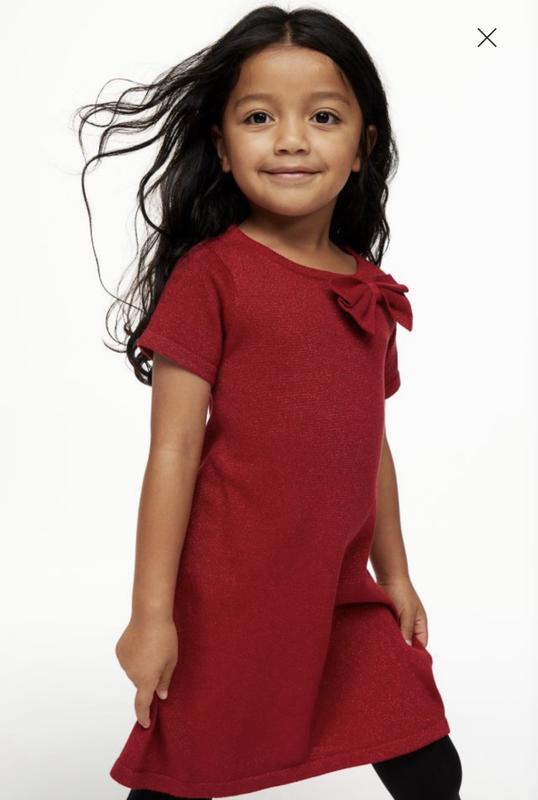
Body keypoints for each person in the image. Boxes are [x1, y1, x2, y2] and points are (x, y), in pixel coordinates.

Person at [75, 5, 463, 799]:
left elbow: (371, 443)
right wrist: (151, 615)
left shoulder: (365, 288)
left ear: (364, 146)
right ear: (222, 147)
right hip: (233, 595)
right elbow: (173, 451)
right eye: (259, 117)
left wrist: (395, 573)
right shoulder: (212, 277)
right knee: (183, 775)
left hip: (340, 592)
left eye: (323, 117)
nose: (290, 140)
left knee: (427, 759)